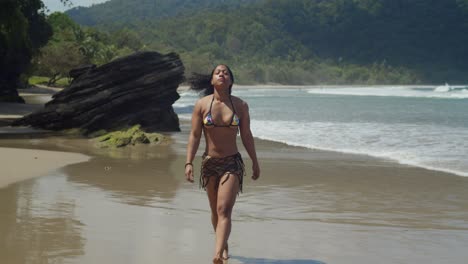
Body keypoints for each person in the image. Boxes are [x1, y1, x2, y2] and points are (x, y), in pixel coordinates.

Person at [185, 64, 260, 263]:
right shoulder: (202, 105)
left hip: (232, 163)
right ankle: (223, 245)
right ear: (212, 80)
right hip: (209, 163)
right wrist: (188, 162)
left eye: (226, 73)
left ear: (231, 80)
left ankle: (217, 254)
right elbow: (194, 136)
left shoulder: (240, 106)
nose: (222, 75)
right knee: (214, 211)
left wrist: (254, 161)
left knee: (223, 209)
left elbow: (246, 135)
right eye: (218, 72)